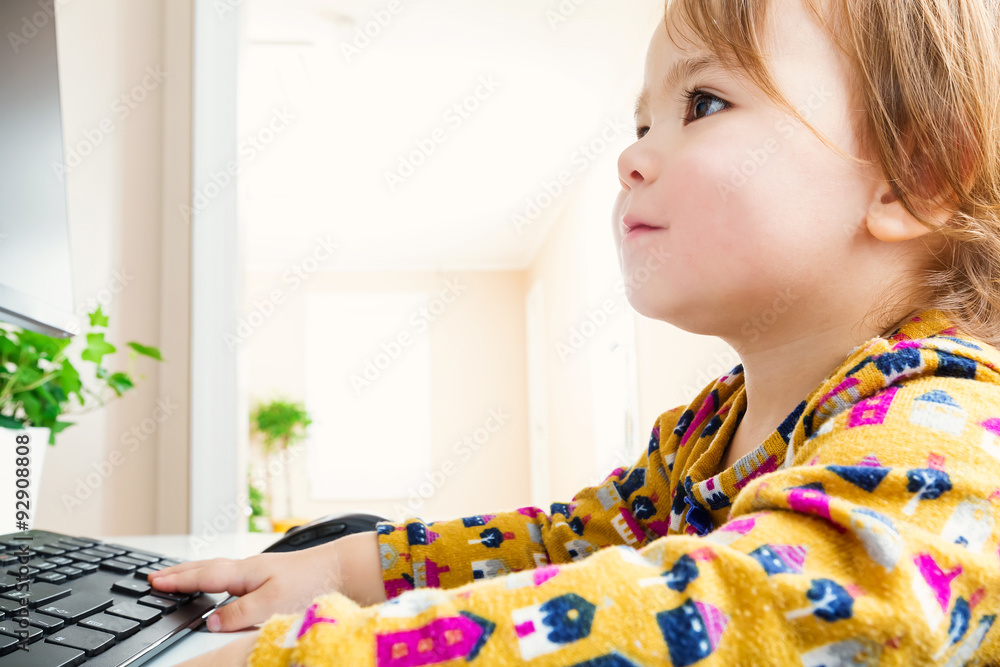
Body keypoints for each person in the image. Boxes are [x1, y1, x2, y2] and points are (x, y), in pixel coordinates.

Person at [157, 0, 1000, 663]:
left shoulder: (950, 419)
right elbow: (571, 540)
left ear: (912, 178)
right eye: (642, 125)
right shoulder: (706, 431)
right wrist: (347, 567)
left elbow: (768, 605)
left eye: (703, 102)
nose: (632, 158)